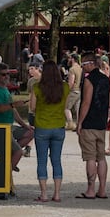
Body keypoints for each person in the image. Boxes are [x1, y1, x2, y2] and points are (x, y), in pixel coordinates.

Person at [27, 61, 71, 202]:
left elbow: (32, 108)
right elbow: (65, 105)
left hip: (42, 127)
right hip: (58, 126)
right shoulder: (64, 87)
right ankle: (57, 194)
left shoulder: (37, 87)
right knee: (56, 160)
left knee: (42, 161)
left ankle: (44, 194)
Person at [75, 54, 110, 200]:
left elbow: (86, 102)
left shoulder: (89, 80)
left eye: (83, 64)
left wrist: (80, 122)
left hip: (89, 122)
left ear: (90, 64)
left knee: (90, 157)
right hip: (101, 122)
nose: (82, 67)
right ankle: (102, 189)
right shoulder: (106, 79)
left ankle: (90, 189)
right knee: (101, 157)